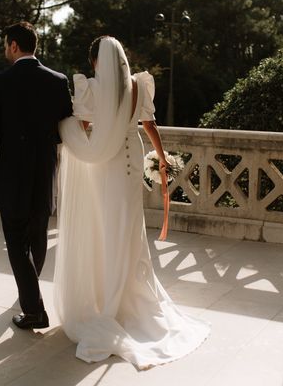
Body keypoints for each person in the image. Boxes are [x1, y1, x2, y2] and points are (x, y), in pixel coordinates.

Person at [54, 36, 209, 369]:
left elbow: (81, 126)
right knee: (128, 221)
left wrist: (72, 132)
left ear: (96, 61)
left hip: (104, 162)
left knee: (105, 223)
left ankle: (106, 297)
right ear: (122, 59)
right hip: (131, 155)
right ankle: (127, 290)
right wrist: (162, 157)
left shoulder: (91, 87)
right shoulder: (139, 85)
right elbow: (149, 125)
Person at [0, 21, 72, 330]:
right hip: (45, 172)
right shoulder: (58, 81)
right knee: (38, 236)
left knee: (16, 242)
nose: (6, 50)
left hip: (12, 174)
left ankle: (33, 310)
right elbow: (65, 130)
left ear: (14, 46)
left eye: (6, 45)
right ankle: (29, 293)